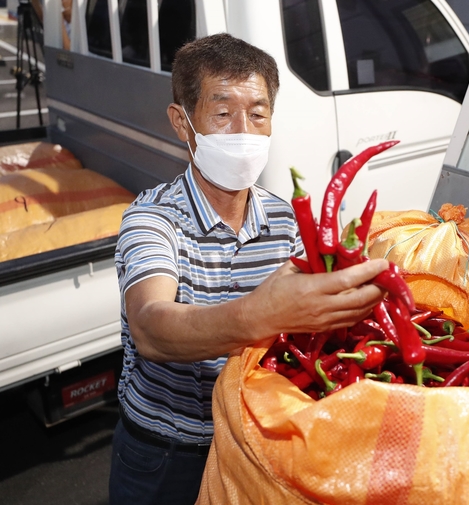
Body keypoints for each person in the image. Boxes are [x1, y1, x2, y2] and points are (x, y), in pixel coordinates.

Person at [108, 33, 388, 505]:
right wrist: (265, 314)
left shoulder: (286, 219)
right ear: (182, 122)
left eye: (257, 114)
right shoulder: (152, 218)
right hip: (166, 455)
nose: (242, 129)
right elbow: (151, 328)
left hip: (253, 446)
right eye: (222, 114)